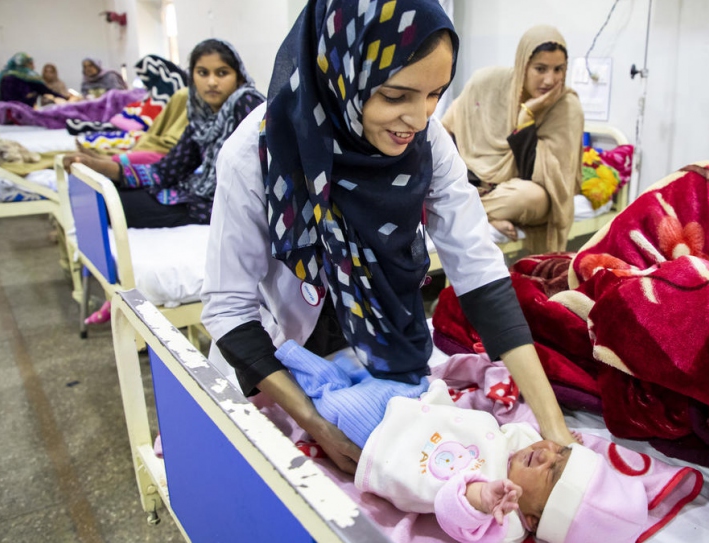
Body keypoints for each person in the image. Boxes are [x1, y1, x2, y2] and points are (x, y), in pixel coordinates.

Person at [201, 0, 576, 478]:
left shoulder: (427, 143)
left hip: (382, 353)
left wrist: (554, 427)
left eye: (435, 94)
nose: (418, 119)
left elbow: (478, 270)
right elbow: (228, 309)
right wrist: (316, 423)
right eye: (395, 96)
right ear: (343, 72)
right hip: (281, 372)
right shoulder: (257, 154)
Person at [273, 342, 700, 543]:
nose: (547, 454)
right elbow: (515, 414)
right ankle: (320, 366)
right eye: (561, 454)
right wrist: (499, 383)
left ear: (533, 519)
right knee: (365, 370)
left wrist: (480, 498)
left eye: (550, 475)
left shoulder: (503, 515)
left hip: (381, 441)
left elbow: (453, 514)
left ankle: (288, 356)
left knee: (336, 401)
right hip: (415, 399)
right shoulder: (524, 442)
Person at [66, 39, 264, 325]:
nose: (211, 82)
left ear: (239, 76)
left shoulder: (247, 104)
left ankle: (121, 295)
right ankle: (117, 293)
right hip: (200, 195)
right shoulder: (202, 115)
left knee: (112, 206)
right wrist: (98, 167)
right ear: (191, 76)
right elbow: (167, 170)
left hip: (220, 206)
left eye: (222, 73)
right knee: (114, 194)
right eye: (202, 72)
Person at [442, 25, 584, 254]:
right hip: (474, 183)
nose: (550, 80)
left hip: (523, 193)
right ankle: (482, 213)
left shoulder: (567, 107)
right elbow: (445, 131)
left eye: (559, 70)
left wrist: (526, 116)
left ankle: (469, 212)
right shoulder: (489, 83)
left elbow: (546, 180)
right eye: (540, 69)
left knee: (530, 197)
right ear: (522, 65)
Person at [0, 53, 64, 106]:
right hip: (18, 113)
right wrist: (34, 97)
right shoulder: (26, 79)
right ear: (23, 65)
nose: (34, 67)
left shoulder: (4, 77)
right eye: (31, 64)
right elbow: (44, 91)